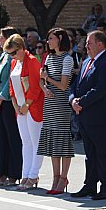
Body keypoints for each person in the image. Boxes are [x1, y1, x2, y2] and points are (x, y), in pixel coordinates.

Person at [69, 30, 106, 200]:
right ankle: (90, 184)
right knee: (90, 152)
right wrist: (73, 99)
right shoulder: (87, 62)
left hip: (98, 116)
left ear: (100, 44)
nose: (86, 46)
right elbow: (75, 85)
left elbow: (100, 89)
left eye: (89, 42)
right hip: (84, 115)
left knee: (102, 151)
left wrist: (80, 102)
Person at [4, 34, 44, 190]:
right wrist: (15, 104)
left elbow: (35, 87)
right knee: (26, 143)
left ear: (21, 48)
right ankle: (25, 174)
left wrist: (27, 104)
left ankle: (33, 175)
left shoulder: (32, 61)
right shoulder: (15, 62)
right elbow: (11, 86)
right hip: (20, 108)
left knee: (35, 143)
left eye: (13, 52)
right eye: (10, 54)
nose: (12, 56)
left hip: (32, 107)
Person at [39, 28, 75, 194]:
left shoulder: (67, 59)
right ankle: (55, 177)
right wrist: (44, 87)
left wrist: (48, 79)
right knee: (53, 141)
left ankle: (63, 177)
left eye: (51, 38)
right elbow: (41, 79)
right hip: (50, 102)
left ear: (60, 39)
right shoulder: (49, 57)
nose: (49, 42)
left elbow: (63, 85)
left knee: (62, 140)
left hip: (60, 104)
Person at [0, 27, 21, 186]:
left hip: (7, 102)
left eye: (1, 37)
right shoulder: (2, 56)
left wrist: (0, 98)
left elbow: (9, 81)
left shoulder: (13, 58)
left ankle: (13, 173)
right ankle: (1, 173)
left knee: (11, 138)